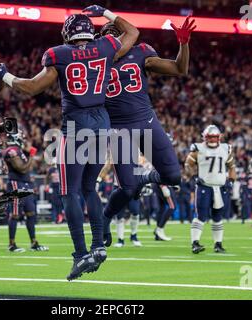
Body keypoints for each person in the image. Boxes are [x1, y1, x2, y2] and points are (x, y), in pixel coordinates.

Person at [0, 5, 139, 280]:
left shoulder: (59, 54)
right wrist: (106, 12)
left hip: (77, 125)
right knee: (89, 188)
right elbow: (133, 32)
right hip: (102, 121)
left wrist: (5, 76)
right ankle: (99, 245)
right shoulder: (105, 46)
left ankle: (81, 254)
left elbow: (31, 87)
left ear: (67, 34)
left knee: (70, 192)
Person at [98, 17, 196, 246]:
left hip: (146, 122)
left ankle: (146, 177)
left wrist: (184, 44)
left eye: (118, 35)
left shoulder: (141, 52)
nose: (115, 39)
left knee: (173, 177)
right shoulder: (95, 61)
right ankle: (105, 217)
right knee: (128, 188)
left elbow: (180, 69)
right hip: (118, 130)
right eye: (109, 35)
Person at [184, 125, 236, 254]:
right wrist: (193, 176)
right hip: (204, 187)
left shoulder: (225, 148)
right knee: (201, 216)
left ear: (219, 137)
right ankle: (195, 243)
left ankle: (218, 244)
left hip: (220, 187)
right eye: (210, 137)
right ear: (205, 137)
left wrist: (231, 181)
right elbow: (187, 164)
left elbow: (232, 167)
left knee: (218, 217)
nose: (212, 140)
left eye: (214, 137)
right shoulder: (198, 148)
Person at [3, 130, 48, 252]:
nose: (23, 139)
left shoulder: (20, 151)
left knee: (31, 214)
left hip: (26, 184)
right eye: (21, 137)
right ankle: (12, 244)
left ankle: (34, 243)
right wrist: (31, 156)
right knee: (16, 214)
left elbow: (28, 166)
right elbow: (22, 168)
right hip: (16, 183)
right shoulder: (11, 151)